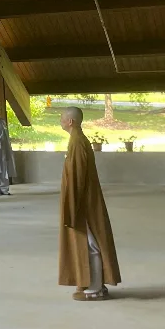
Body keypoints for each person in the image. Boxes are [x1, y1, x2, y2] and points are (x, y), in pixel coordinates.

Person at [58, 107, 121, 301]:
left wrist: (74, 207)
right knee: (90, 241)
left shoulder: (77, 142)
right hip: (84, 199)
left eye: (62, 118)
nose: (60, 121)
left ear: (70, 121)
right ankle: (93, 284)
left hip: (84, 202)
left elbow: (77, 177)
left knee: (91, 242)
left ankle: (94, 289)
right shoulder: (76, 140)